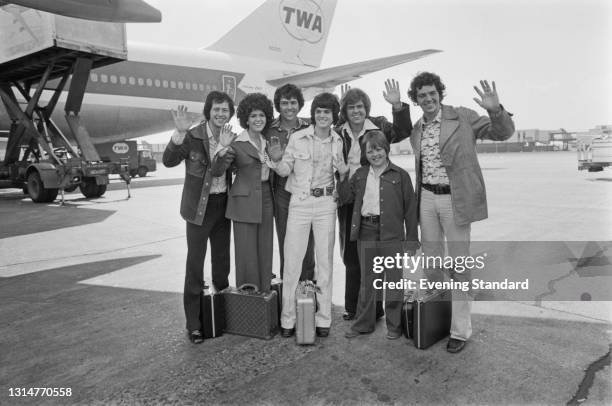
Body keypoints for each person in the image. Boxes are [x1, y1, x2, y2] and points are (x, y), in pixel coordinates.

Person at [407, 72, 515, 353]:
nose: (428, 99)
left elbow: (502, 132)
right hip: (427, 199)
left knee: (459, 266)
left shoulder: (462, 117)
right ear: (416, 100)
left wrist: (495, 110)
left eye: (432, 93)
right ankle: (440, 318)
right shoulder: (417, 128)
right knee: (431, 265)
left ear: (439, 93)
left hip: (454, 200)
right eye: (422, 95)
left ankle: (460, 330)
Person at [268, 92, 348, 338]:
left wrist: (344, 174)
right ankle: (288, 319)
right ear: (313, 114)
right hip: (300, 203)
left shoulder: (338, 141)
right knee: (292, 262)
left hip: (326, 204)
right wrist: (275, 159)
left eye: (327, 112)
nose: (323, 116)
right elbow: (285, 170)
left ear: (334, 116)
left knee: (324, 263)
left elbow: (341, 174)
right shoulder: (297, 137)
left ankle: (323, 318)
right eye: (319, 111)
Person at [162, 91, 237, 344]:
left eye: (225, 110)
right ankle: (193, 323)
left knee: (221, 264)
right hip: (197, 210)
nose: (220, 114)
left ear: (230, 114)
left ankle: (221, 315)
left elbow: (222, 171)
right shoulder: (193, 136)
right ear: (208, 110)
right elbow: (169, 160)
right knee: (195, 266)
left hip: (222, 207)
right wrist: (180, 133)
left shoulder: (230, 137)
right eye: (216, 109)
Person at [335, 80, 413, 321]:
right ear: (345, 111)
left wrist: (397, 106)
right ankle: (353, 307)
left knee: (378, 257)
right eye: (351, 108)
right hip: (349, 197)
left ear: (366, 108)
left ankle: (378, 309)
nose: (356, 111)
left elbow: (402, 131)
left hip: (376, 194)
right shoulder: (339, 131)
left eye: (360, 107)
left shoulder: (377, 125)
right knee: (351, 254)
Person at [341, 131, 419, 340]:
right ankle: (363, 324)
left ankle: (394, 325)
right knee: (368, 282)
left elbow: (411, 210)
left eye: (379, 149)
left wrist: (411, 240)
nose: (375, 154)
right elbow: (345, 198)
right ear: (365, 154)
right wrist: (342, 175)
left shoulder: (400, 176)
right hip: (366, 232)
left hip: (392, 235)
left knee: (393, 281)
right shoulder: (359, 175)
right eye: (370, 151)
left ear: (386, 150)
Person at [214, 93, 275, 293]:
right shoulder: (237, 143)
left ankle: (265, 295)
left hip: (266, 198)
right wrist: (222, 148)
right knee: (247, 255)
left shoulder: (268, 142)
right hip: (244, 203)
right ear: (245, 119)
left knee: (265, 251)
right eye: (253, 116)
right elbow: (218, 170)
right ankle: (249, 302)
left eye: (262, 115)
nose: (258, 119)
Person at [264, 84, 315, 281]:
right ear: (278, 105)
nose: (289, 107)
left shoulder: (310, 127)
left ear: (300, 104)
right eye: (284, 103)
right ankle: (289, 293)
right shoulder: (268, 130)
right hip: (282, 193)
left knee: (307, 244)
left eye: (293, 102)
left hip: (306, 191)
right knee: (287, 242)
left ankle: (307, 293)